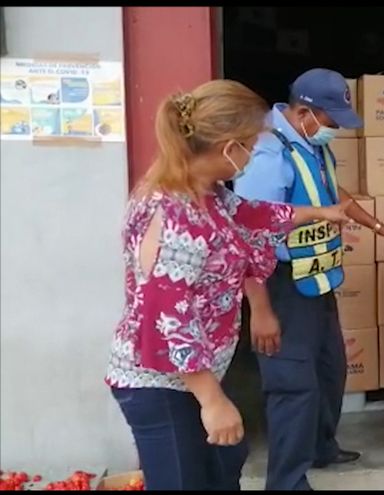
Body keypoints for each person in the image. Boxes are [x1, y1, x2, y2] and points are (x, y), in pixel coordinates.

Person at [105, 80, 350, 491]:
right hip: (163, 385)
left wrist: (319, 212)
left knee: (224, 467)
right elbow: (165, 322)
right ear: (227, 147)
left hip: (195, 377)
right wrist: (213, 401)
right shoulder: (174, 216)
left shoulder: (210, 194)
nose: (254, 154)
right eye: (251, 145)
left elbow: (253, 213)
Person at [234, 68, 384, 491]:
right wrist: (262, 311)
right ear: (304, 112)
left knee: (331, 370)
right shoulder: (268, 155)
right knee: (293, 385)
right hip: (281, 283)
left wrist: (380, 226)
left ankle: (320, 447)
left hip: (318, 279)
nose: (336, 131)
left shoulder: (308, 143)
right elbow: (250, 236)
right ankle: (287, 482)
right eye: (332, 121)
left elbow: (335, 193)